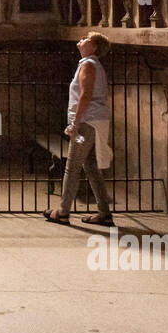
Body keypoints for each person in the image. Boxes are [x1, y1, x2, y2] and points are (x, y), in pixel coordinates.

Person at [45, 31, 115, 227]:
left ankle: (63, 212)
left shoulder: (88, 64)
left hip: (86, 124)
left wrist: (75, 123)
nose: (81, 40)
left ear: (92, 47)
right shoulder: (92, 64)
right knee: (91, 166)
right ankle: (104, 213)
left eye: (86, 39)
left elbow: (85, 96)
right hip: (94, 121)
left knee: (72, 165)